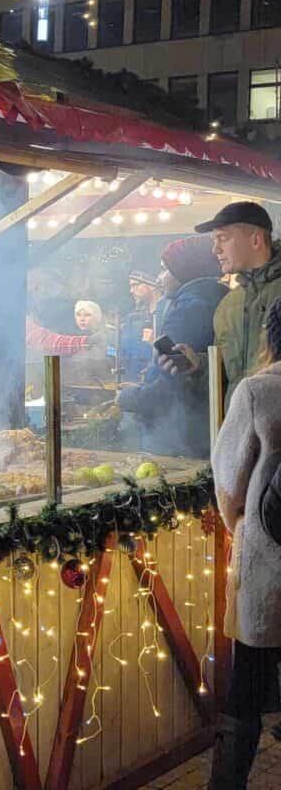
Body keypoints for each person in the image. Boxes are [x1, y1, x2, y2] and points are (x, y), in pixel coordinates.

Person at [208, 295, 281, 789]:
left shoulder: (258, 390)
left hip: (268, 564)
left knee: (246, 691)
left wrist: (242, 528)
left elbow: (229, 486)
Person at [161, 202, 281, 404]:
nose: (215, 249)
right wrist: (197, 365)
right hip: (239, 427)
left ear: (256, 240)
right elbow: (230, 372)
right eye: (214, 241)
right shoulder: (229, 305)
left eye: (223, 239)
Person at [117, 235, 227, 456]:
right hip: (203, 430)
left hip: (179, 438)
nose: (160, 278)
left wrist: (129, 398)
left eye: (165, 269)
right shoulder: (218, 299)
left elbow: (173, 383)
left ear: (184, 271)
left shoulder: (189, 310)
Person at [120, 271, 162, 380]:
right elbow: (124, 351)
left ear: (152, 285)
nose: (131, 291)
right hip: (133, 379)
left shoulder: (168, 312)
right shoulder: (134, 319)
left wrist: (156, 343)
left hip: (159, 380)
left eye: (135, 285)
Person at [61, 301, 111, 387]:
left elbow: (111, 358)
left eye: (87, 315)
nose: (82, 319)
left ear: (97, 317)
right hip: (74, 385)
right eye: (78, 315)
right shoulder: (69, 338)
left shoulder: (108, 336)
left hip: (102, 385)